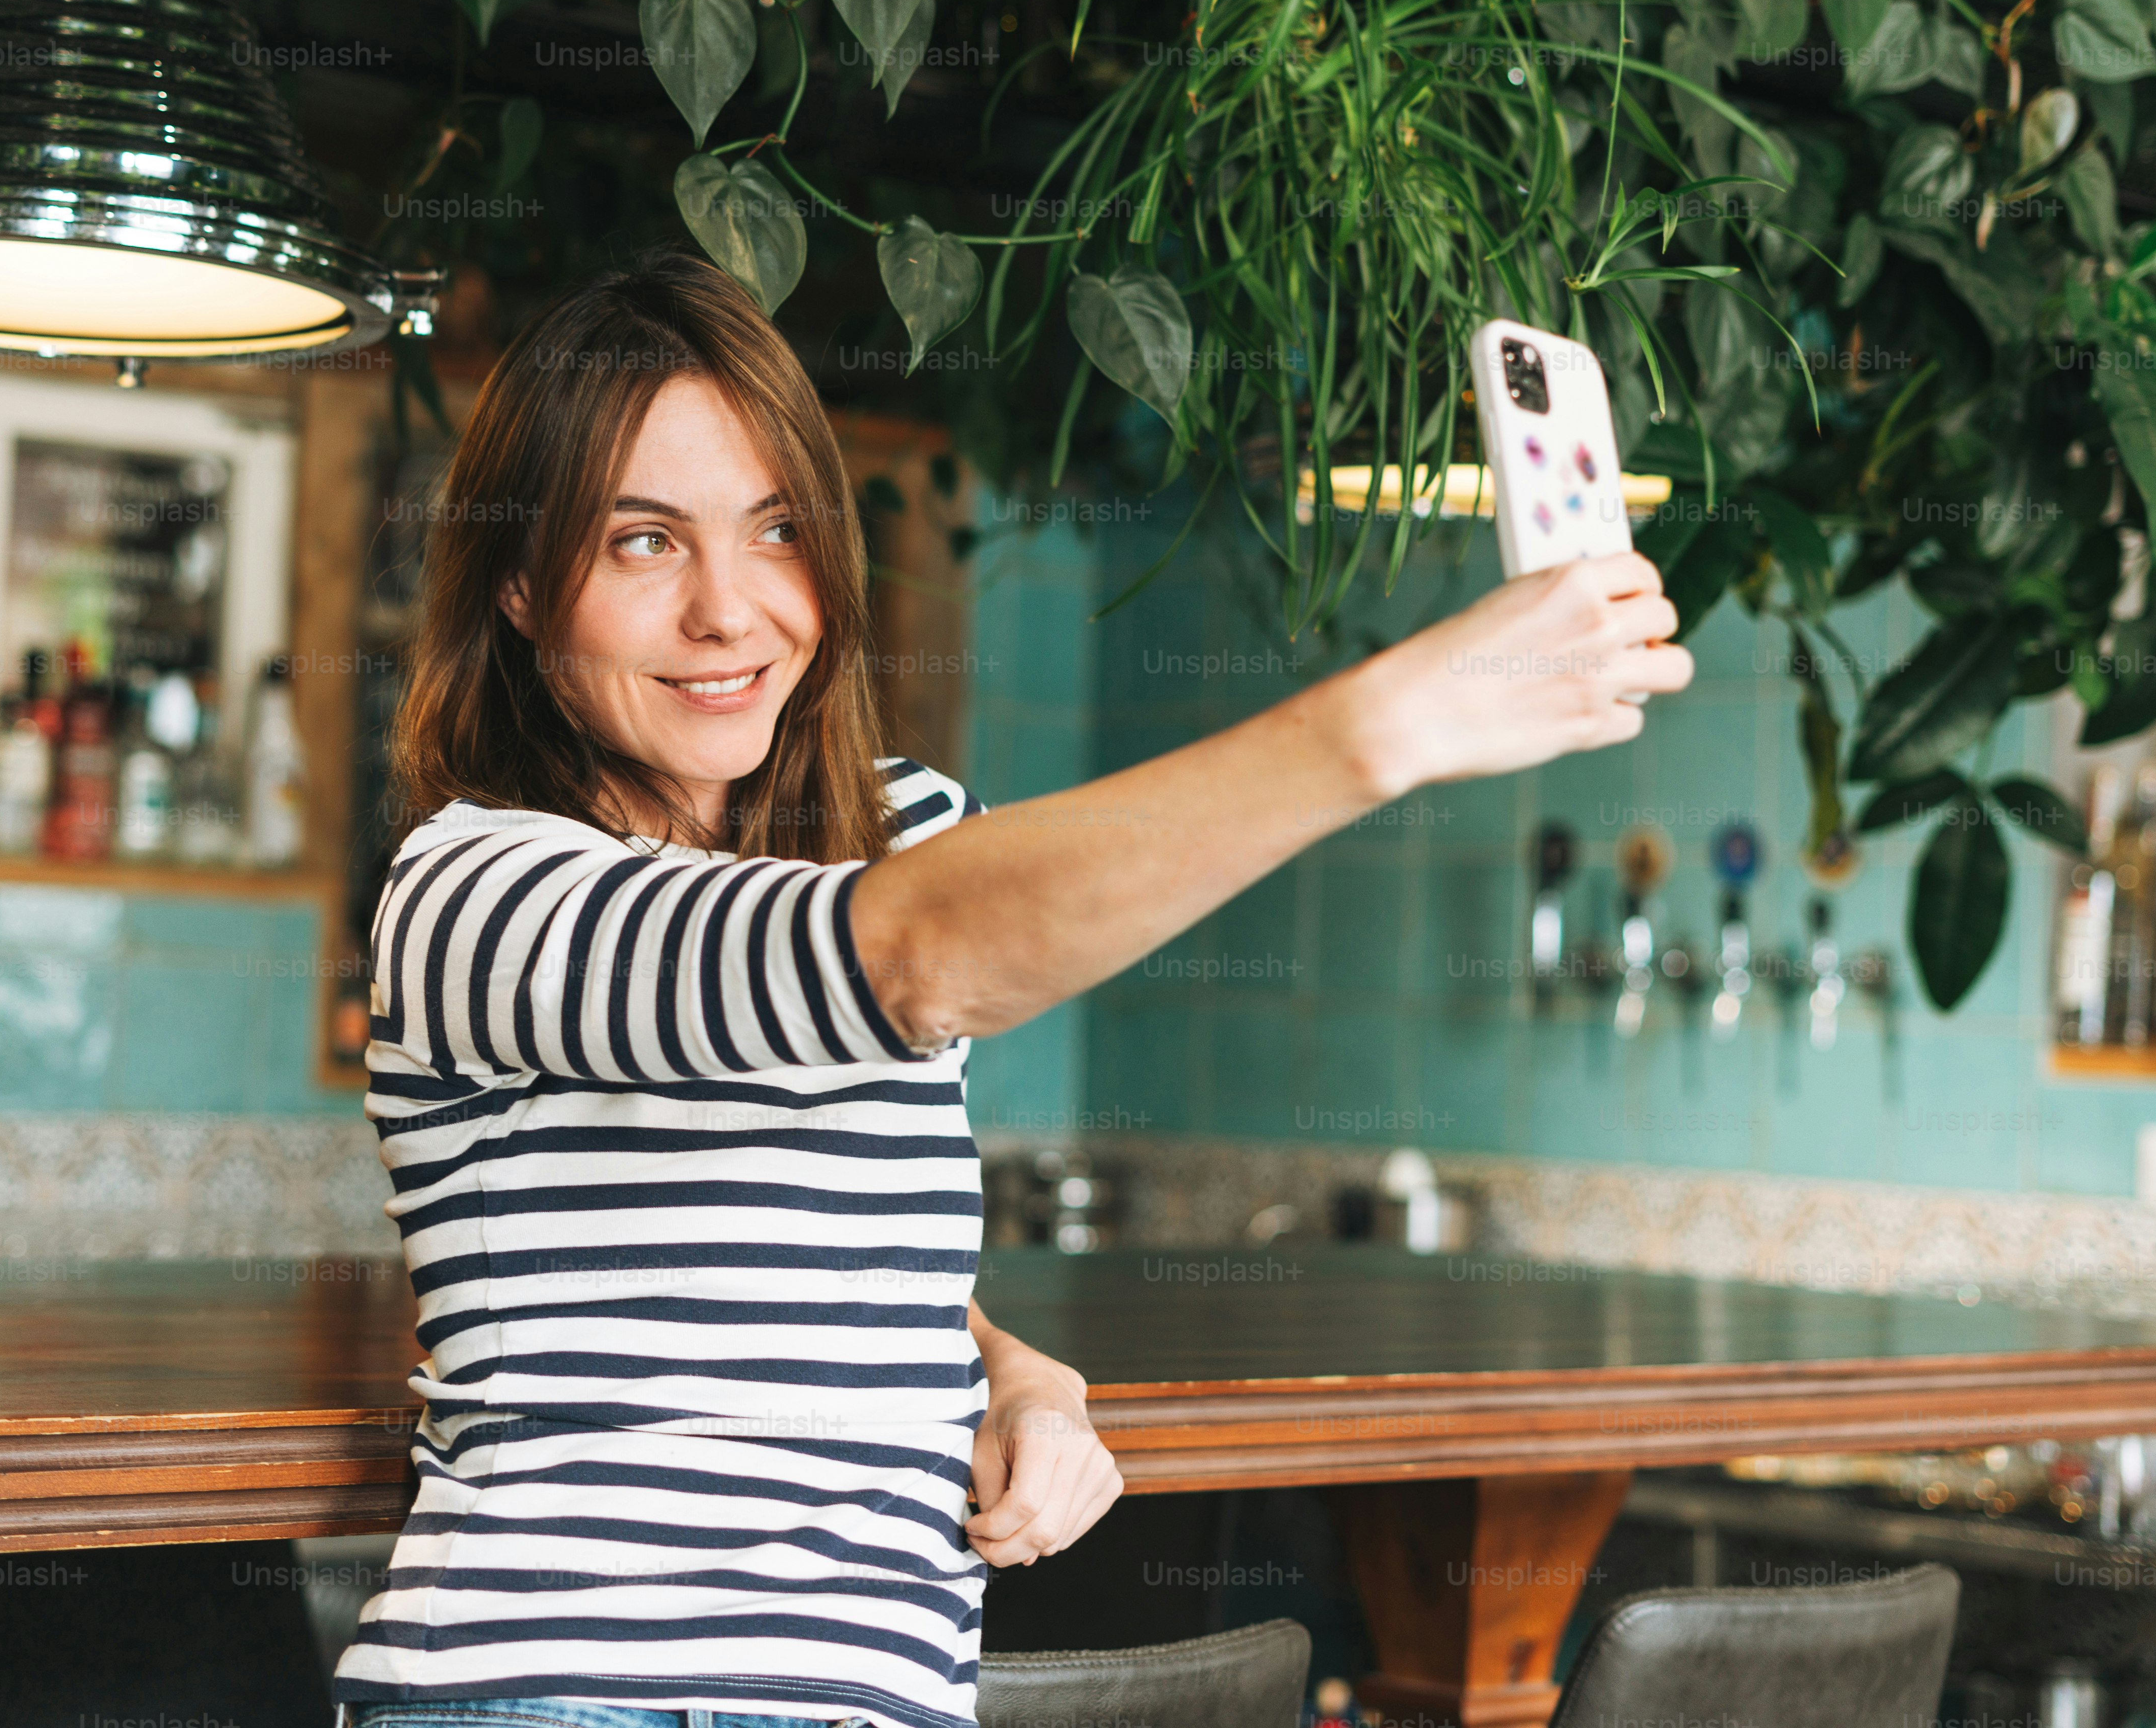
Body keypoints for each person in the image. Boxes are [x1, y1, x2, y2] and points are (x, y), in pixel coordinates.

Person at [332, 252, 1693, 1728]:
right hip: (558, 1693)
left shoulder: (917, 829)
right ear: (525, 591)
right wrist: (1394, 725)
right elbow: (896, 962)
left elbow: (800, 1239)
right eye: (644, 544)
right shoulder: (475, 890)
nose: (731, 611)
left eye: (776, 530)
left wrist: (1008, 1364)